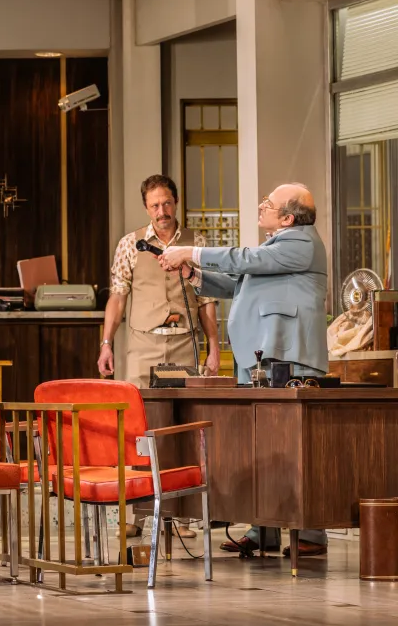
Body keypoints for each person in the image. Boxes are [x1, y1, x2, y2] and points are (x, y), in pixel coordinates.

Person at [160, 182, 329, 558]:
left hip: (289, 355)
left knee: (294, 446)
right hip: (261, 356)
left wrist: (193, 251)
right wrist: (194, 275)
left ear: (287, 217)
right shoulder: (275, 247)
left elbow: (245, 261)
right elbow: (240, 283)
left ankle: (311, 534)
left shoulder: (300, 241)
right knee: (261, 447)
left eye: (268, 203)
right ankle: (262, 528)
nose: (260, 205)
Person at [98, 174, 219, 539]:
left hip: (184, 343)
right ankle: (134, 515)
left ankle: (180, 516)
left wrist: (214, 348)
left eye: (166, 203)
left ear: (176, 202)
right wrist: (106, 343)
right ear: (146, 208)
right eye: (154, 206)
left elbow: (207, 299)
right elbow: (117, 298)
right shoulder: (130, 244)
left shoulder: (197, 243)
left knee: (180, 425)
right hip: (142, 344)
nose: (161, 211)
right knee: (137, 428)